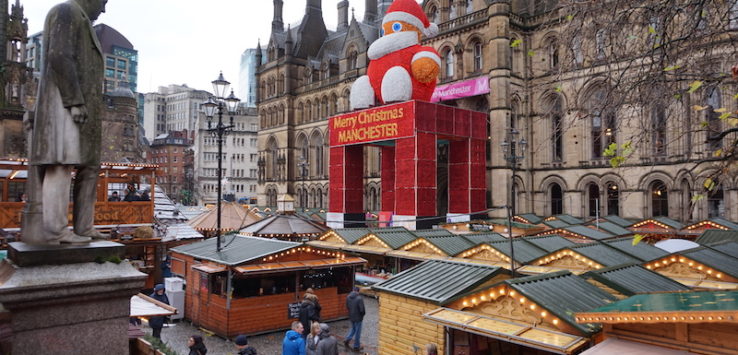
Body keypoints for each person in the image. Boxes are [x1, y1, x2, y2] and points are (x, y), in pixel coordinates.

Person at [23, 0, 108, 244]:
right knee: (60, 164)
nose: (103, 9)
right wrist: (74, 100)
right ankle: (56, 230)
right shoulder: (66, 11)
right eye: (103, 2)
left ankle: (84, 227)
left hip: (85, 111)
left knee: (90, 167)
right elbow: (59, 56)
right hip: (64, 105)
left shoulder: (83, 20)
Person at [343, 287, 366, 351]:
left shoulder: (348, 297)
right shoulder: (359, 299)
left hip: (351, 316)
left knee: (353, 329)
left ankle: (347, 339)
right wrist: (362, 316)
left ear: (353, 290)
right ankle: (356, 346)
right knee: (357, 332)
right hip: (358, 318)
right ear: (358, 291)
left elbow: (347, 306)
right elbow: (362, 310)